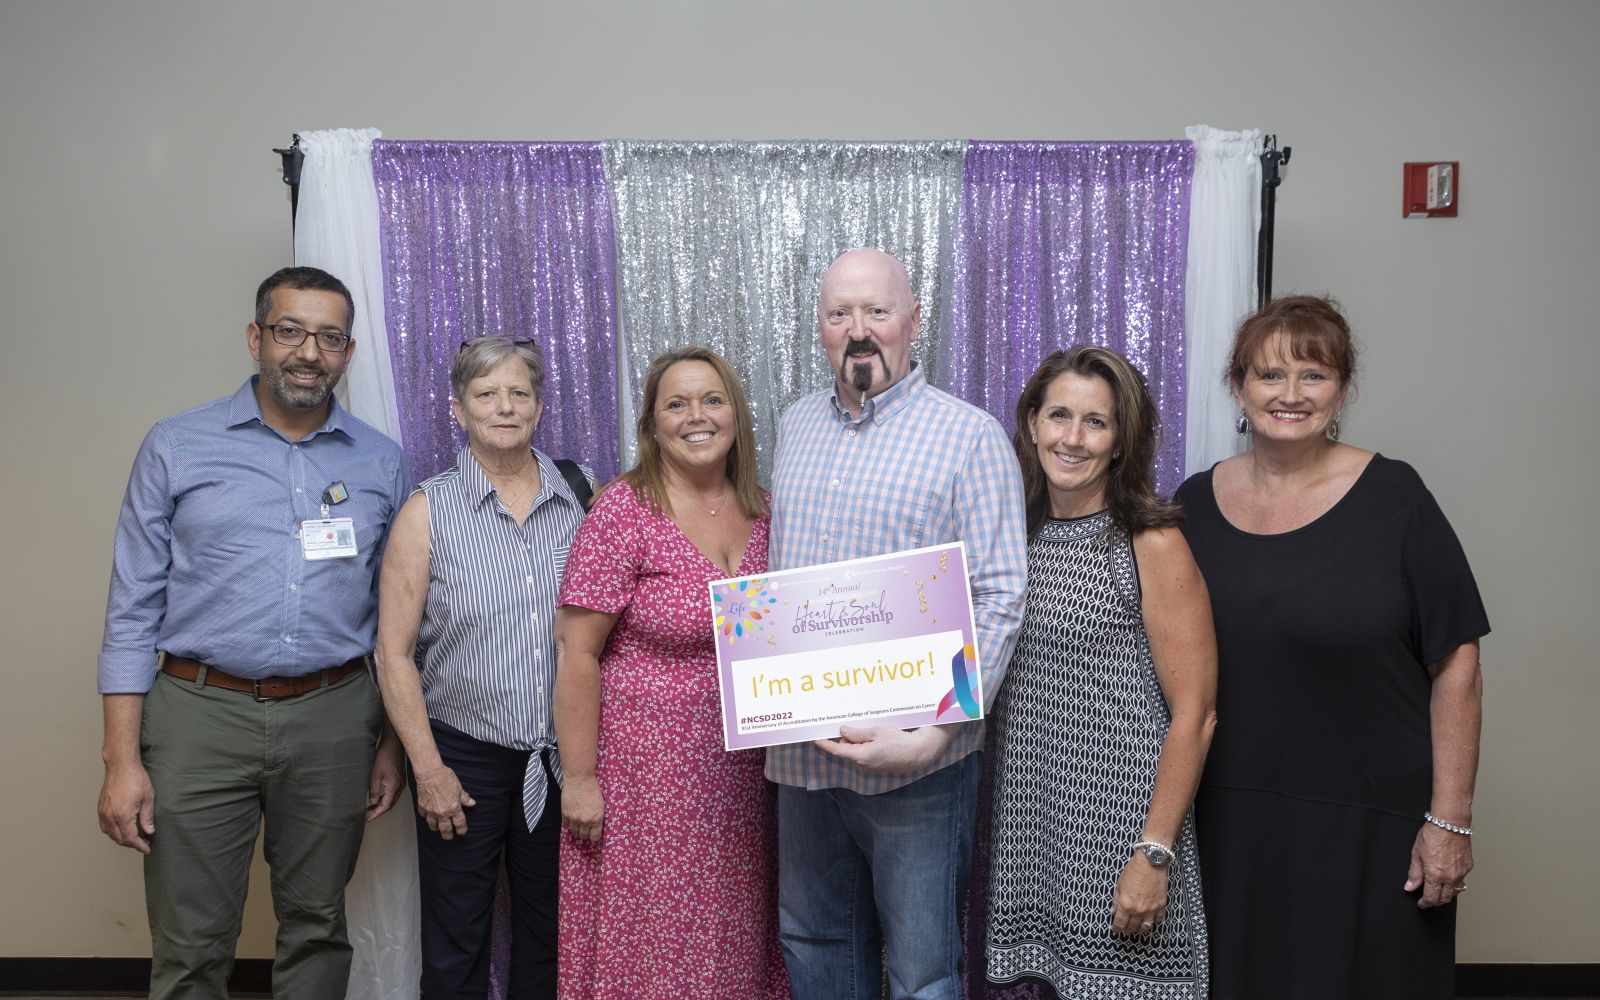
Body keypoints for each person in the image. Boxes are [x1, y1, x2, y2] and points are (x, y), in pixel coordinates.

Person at [96, 266, 412, 999]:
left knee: (317, 927)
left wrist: (390, 741)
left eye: (328, 337)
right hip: (198, 715)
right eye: (290, 330)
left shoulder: (382, 462)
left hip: (336, 719)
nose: (308, 352)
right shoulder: (177, 445)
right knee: (192, 942)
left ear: (349, 352)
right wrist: (120, 760)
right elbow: (130, 611)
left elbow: (396, 618)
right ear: (255, 338)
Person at [1174, 295, 1489, 999]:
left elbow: (1458, 665)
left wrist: (1451, 821)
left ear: (1341, 389)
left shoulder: (1397, 497)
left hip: (1375, 831)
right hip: (1229, 825)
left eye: (1313, 376)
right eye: (1269, 375)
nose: (1290, 395)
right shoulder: (1192, 503)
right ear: (1237, 386)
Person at [768, 248, 1028, 1000]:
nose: (859, 330)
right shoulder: (794, 427)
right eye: (839, 313)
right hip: (804, 758)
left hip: (920, 763)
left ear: (913, 322)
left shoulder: (969, 437)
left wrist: (936, 733)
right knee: (814, 945)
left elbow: (1001, 595)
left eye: (877, 312)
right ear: (818, 329)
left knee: (922, 973)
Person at [971, 346, 1216, 999]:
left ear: (1120, 441)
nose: (1072, 438)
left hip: (1124, 836)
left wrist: (1154, 852)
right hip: (1032, 831)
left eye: (1095, 422)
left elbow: (1196, 714)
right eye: (1058, 416)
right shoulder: (1009, 537)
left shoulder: (1150, 542)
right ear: (1030, 424)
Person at [553, 346, 788, 999]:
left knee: (732, 943)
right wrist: (578, 780)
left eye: (712, 400)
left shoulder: (768, 512)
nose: (697, 416)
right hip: (644, 787)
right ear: (652, 424)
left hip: (745, 782)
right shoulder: (624, 511)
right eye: (676, 404)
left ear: (736, 415)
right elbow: (577, 653)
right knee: (653, 949)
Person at [374, 336, 589, 999]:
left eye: (519, 392)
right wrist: (428, 769)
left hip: (561, 758)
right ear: (457, 411)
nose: (504, 406)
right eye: (486, 394)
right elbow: (393, 654)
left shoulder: (582, 497)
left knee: (551, 935)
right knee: (456, 941)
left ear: (540, 406)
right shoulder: (426, 511)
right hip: (461, 760)